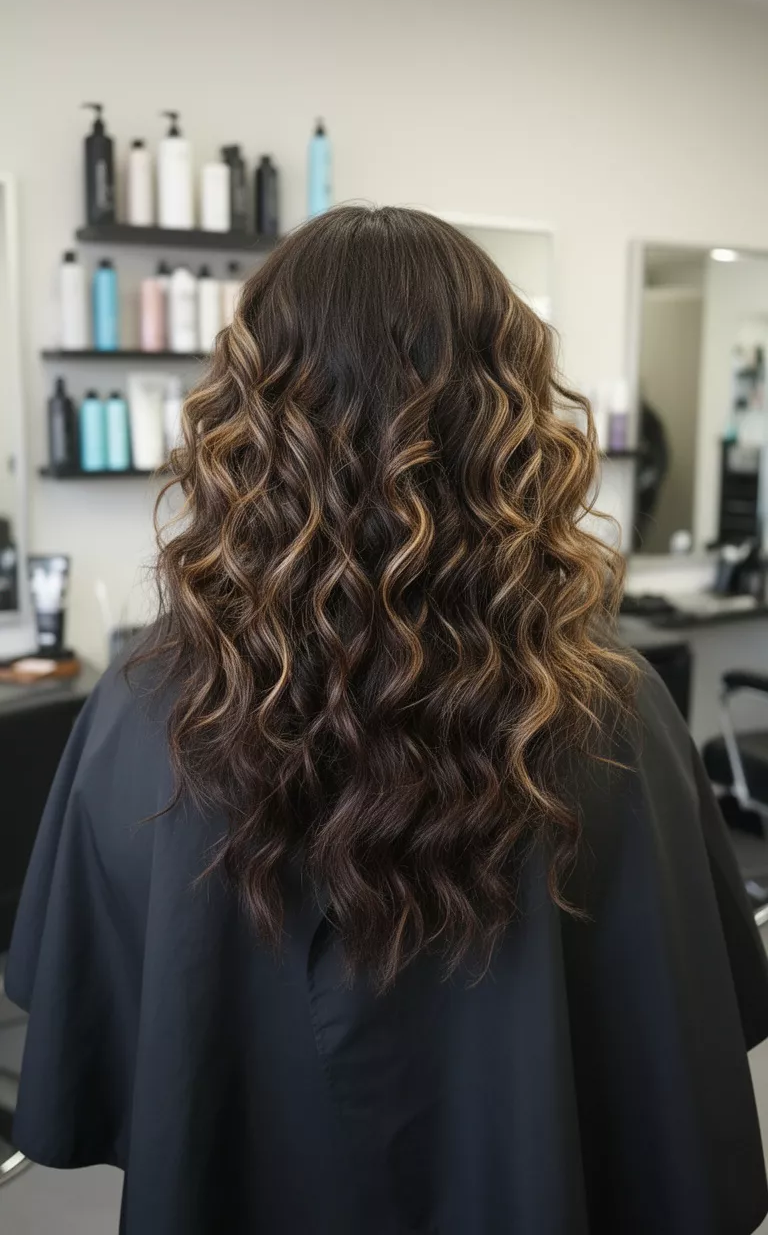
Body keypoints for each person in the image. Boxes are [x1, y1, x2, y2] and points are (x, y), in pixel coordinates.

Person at [7, 207, 768, 1235]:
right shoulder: (610, 710)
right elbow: (678, 1056)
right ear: (503, 415)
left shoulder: (143, 706)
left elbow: (95, 1024)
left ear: (250, 412)